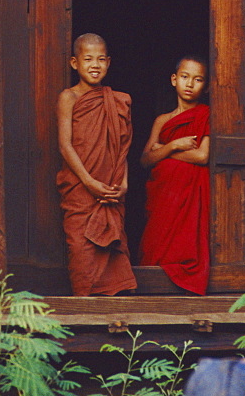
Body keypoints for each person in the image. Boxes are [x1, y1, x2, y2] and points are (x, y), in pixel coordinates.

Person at [56, 33, 137, 296]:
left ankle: (114, 302)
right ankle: (84, 302)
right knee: (81, 245)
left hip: (111, 188)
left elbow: (122, 147)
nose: (95, 65)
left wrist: (123, 183)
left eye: (101, 59)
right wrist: (89, 182)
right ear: (74, 63)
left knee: (112, 245)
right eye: (88, 59)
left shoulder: (118, 100)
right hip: (81, 187)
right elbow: (65, 145)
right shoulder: (69, 97)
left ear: (109, 62)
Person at [139, 56, 210, 294]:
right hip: (163, 197)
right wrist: (174, 145)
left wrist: (165, 151)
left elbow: (202, 156)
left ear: (206, 86)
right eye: (184, 77)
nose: (190, 83)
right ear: (174, 80)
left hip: (188, 194)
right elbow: (146, 160)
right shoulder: (162, 120)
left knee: (186, 245)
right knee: (155, 242)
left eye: (198, 79)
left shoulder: (206, 115)